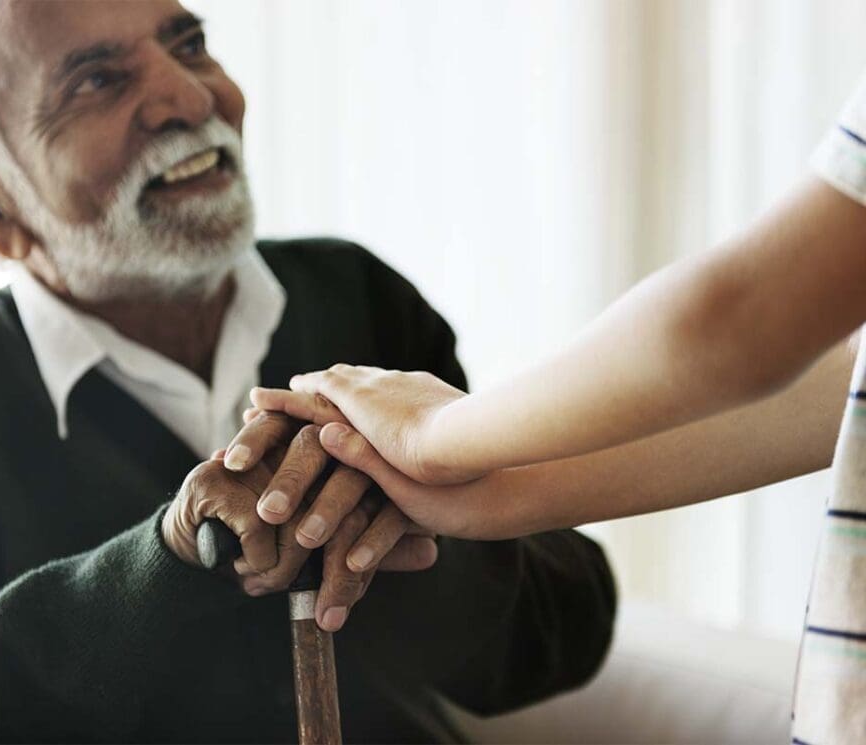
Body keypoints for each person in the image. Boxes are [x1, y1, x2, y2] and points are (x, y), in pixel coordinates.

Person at [0, 0, 617, 741]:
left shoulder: (355, 295)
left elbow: (566, 637)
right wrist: (169, 561)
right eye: (97, 80)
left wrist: (407, 518)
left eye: (187, 45)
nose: (190, 96)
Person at [250, 69, 866, 743]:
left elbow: (738, 324)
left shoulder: (349, 289)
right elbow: (835, 384)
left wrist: (439, 432)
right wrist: (493, 492)